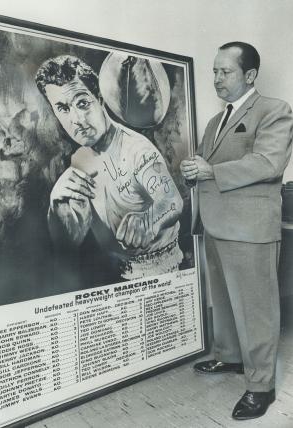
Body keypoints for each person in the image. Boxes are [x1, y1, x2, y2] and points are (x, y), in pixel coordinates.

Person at [180, 42, 293, 420]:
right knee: (226, 302)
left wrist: (211, 171)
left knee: (256, 309)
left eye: (224, 72)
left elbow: (268, 162)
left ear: (249, 75)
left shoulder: (274, 110)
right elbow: (207, 165)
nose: (216, 79)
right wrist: (193, 170)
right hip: (215, 222)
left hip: (250, 228)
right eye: (214, 71)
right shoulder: (215, 122)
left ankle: (260, 385)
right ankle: (229, 357)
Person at [35, 55, 183, 282]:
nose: (77, 119)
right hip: (113, 274)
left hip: (162, 272)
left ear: (100, 99)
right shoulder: (78, 160)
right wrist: (56, 211)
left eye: (82, 103)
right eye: (63, 108)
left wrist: (148, 220)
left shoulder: (137, 148)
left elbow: (172, 200)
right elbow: (72, 240)